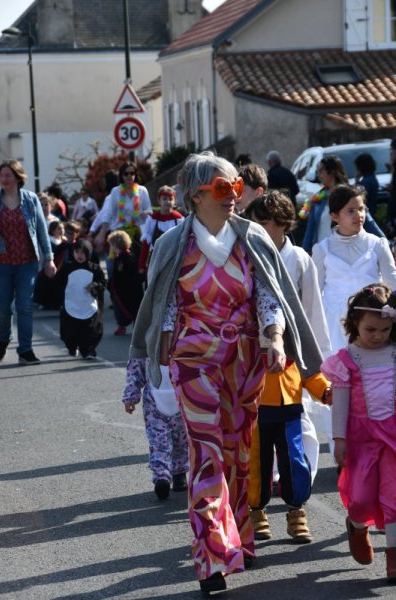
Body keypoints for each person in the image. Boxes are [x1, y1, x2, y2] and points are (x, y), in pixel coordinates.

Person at [129, 151, 323, 594]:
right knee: (207, 453)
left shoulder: (252, 237)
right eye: (223, 187)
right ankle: (212, 557)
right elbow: (165, 302)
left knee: (238, 452)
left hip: (245, 359)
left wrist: (275, 337)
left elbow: (268, 295)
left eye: (236, 186)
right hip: (193, 360)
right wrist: (160, 343)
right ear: (195, 195)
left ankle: (241, 537)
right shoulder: (172, 244)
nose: (234, 194)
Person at [243, 191, 331, 544]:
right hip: (254, 361)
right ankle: (256, 510)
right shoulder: (246, 255)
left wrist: (319, 364)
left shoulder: (299, 259)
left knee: (297, 444)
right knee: (256, 453)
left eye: (264, 222)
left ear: (282, 223)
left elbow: (312, 313)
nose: (258, 229)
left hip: (293, 360)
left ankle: (297, 508)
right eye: (254, 223)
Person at [321, 284, 396, 583]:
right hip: (361, 438)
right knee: (362, 497)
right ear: (354, 323)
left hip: (392, 437)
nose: (378, 336)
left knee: (393, 496)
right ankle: (357, 525)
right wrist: (339, 439)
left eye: (385, 330)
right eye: (370, 329)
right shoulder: (347, 360)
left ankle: (393, 555)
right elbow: (340, 404)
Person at [312, 184, 396, 356]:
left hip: (372, 319)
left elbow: (392, 284)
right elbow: (315, 292)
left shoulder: (377, 244)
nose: (359, 215)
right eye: (351, 211)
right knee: (338, 366)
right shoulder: (322, 249)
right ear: (335, 216)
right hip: (335, 323)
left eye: (361, 209)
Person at [0, 160, 57, 364]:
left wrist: (49, 260)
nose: (4, 179)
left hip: (27, 263)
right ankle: (4, 338)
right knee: (2, 309)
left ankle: (25, 350)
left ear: (17, 177)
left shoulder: (31, 199)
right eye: (1, 175)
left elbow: (41, 230)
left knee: (24, 306)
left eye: (8, 175)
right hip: (1, 263)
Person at [122, 358, 189, 499]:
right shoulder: (146, 343)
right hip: (154, 402)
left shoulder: (185, 344)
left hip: (182, 399)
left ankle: (179, 473)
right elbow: (135, 367)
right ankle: (161, 477)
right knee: (158, 442)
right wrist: (130, 396)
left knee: (181, 441)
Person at [300, 155, 385, 254]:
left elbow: (369, 223)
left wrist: (386, 244)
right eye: (317, 172)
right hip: (322, 253)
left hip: (347, 252)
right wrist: (303, 253)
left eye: (321, 171)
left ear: (332, 172)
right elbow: (310, 230)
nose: (318, 175)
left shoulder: (350, 195)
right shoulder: (318, 198)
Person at [56, 238, 106, 359]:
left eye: (83, 252)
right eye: (77, 252)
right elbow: (58, 283)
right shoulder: (67, 267)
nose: (80, 255)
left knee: (90, 330)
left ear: (88, 253)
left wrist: (95, 286)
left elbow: (103, 283)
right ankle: (72, 347)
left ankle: (88, 351)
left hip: (88, 305)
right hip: (71, 305)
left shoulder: (95, 268)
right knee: (70, 330)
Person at [93, 161, 151, 259]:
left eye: (132, 173)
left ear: (135, 175)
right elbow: (108, 214)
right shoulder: (116, 191)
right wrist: (102, 233)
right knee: (116, 263)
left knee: (138, 263)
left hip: (138, 234)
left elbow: (149, 210)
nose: (129, 176)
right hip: (119, 234)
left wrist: (147, 213)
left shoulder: (142, 190)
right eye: (126, 174)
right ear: (121, 176)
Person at [138, 185, 184, 275]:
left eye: (170, 199)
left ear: (174, 201)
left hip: (173, 260)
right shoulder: (152, 219)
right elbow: (146, 244)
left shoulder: (179, 219)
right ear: (159, 200)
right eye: (164, 199)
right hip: (156, 259)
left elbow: (183, 242)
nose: (167, 201)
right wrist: (142, 265)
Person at [106, 230, 144, 336]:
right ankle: (132, 327)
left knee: (123, 308)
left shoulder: (123, 258)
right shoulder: (130, 255)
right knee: (133, 308)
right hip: (132, 288)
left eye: (111, 245)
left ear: (115, 245)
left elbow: (120, 275)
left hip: (125, 289)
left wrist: (113, 286)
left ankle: (125, 327)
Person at [354, 153, 379, 217]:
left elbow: (357, 196)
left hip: (367, 213)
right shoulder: (372, 177)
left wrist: (357, 181)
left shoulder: (366, 182)